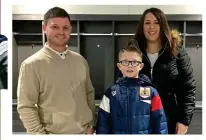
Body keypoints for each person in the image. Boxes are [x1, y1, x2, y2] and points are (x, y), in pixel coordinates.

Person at [17, 7, 96, 134]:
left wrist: (91, 124)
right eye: (55, 27)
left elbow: (89, 93)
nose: (61, 32)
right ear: (44, 28)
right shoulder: (31, 65)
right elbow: (26, 106)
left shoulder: (80, 61)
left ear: (70, 29)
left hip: (84, 133)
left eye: (65, 28)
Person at [132, 7, 196, 134]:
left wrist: (184, 120)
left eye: (156, 23)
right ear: (142, 26)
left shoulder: (176, 51)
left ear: (163, 26)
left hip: (168, 120)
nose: (152, 27)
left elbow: (188, 88)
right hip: (137, 119)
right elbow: (121, 84)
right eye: (147, 23)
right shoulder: (133, 50)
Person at [96, 44, 168, 134]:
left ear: (141, 66)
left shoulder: (151, 92)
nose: (130, 66)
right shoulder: (110, 93)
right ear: (119, 66)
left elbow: (160, 123)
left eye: (134, 62)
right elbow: (103, 125)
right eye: (125, 62)